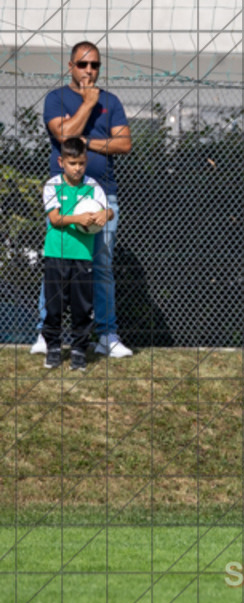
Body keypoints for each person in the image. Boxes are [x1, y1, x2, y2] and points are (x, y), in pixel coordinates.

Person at [31, 41, 133, 358]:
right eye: (83, 65)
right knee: (57, 265)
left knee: (100, 266)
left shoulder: (112, 101)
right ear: (70, 66)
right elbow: (63, 135)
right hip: (65, 193)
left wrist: (88, 141)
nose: (89, 71)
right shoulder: (56, 98)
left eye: (95, 66)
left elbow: (124, 143)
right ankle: (47, 335)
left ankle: (106, 334)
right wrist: (87, 104)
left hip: (103, 193)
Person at [40, 137, 113, 371]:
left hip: (83, 255)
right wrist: (78, 219)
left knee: (82, 305)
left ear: (86, 161)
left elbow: (106, 210)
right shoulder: (52, 185)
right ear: (62, 162)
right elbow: (55, 218)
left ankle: (79, 350)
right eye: (72, 163)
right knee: (55, 304)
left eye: (81, 163)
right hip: (56, 253)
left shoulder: (93, 186)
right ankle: (52, 348)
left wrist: (106, 215)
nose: (77, 168)